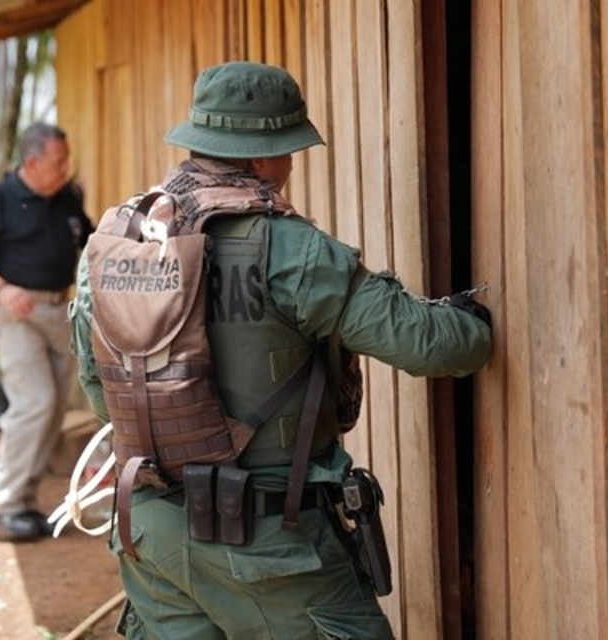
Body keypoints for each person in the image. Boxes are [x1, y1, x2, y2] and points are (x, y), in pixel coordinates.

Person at [71, 62, 492, 639]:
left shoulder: (119, 241)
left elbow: (102, 393)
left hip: (150, 537)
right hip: (268, 546)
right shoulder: (291, 250)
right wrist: (474, 322)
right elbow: (431, 348)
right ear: (265, 157)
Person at [0, 122, 93, 542]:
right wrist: (2, 288)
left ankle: (23, 502)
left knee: (51, 412)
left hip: (58, 311)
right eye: (59, 161)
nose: (66, 167)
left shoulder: (67, 197)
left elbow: (93, 238)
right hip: (17, 314)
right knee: (35, 402)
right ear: (31, 162)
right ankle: (2, 504)